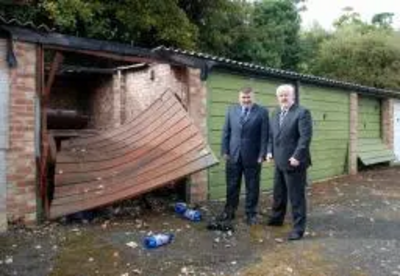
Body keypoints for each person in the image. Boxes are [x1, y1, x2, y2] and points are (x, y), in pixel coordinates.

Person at [266, 84, 313, 240]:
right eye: (281, 95)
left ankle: (298, 229)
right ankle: (277, 218)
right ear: (277, 97)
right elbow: (271, 135)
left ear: (293, 96)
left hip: (295, 163)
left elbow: (305, 138)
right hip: (279, 161)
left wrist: (297, 156)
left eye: (287, 95)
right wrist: (269, 151)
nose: (284, 98)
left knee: (296, 197)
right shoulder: (275, 113)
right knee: (279, 193)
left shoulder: (302, 113)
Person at [218, 87, 269, 225]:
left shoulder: (262, 112)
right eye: (243, 97)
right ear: (239, 98)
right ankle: (229, 211)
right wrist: (225, 151)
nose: (246, 100)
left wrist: (262, 154)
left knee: (252, 187)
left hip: (253, 156)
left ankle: (251, 214)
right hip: (233, 155)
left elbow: (265, 135)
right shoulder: (231, 110)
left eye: (248, 97)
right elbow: (226, 132)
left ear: (253, 97)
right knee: (232, 185)